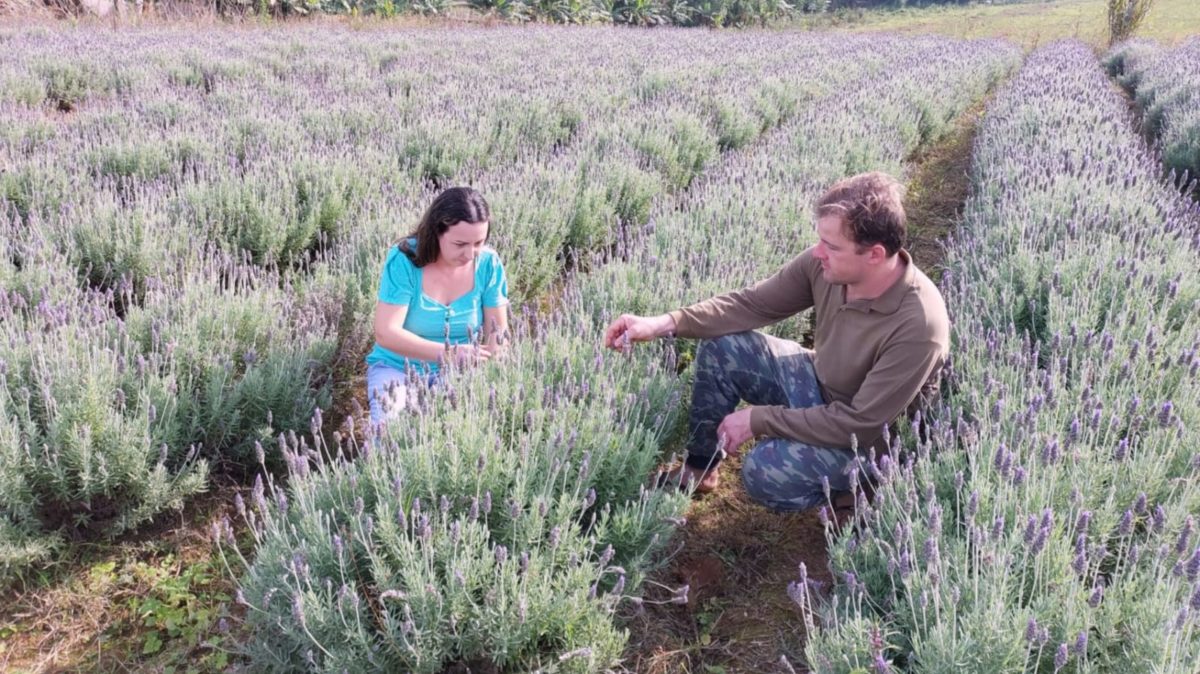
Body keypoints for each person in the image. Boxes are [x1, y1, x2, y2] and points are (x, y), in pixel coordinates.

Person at [602, 172, 949, 513]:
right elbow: (751, 304)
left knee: (764, 471)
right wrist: (663, 323)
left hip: (869, 441)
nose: (817, 253)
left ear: (874, 254)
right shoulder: (828, 268)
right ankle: (700, 469)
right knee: (722, 347)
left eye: (831, 246)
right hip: (821, 380)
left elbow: (860, 423)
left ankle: (859, 493)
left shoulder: (919, 324)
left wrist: (761, 419)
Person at [366, 186, 510, 426]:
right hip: (398, 369)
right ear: (436, 232)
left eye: (479, 243)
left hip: (462, 371)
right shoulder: (405, 260)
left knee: (463, 430)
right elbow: (386, 333)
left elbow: (499, 336)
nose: (471, 254)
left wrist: (493, 371)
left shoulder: (489, 264)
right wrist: (450, 354)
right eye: (460, 243)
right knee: (389, 435)